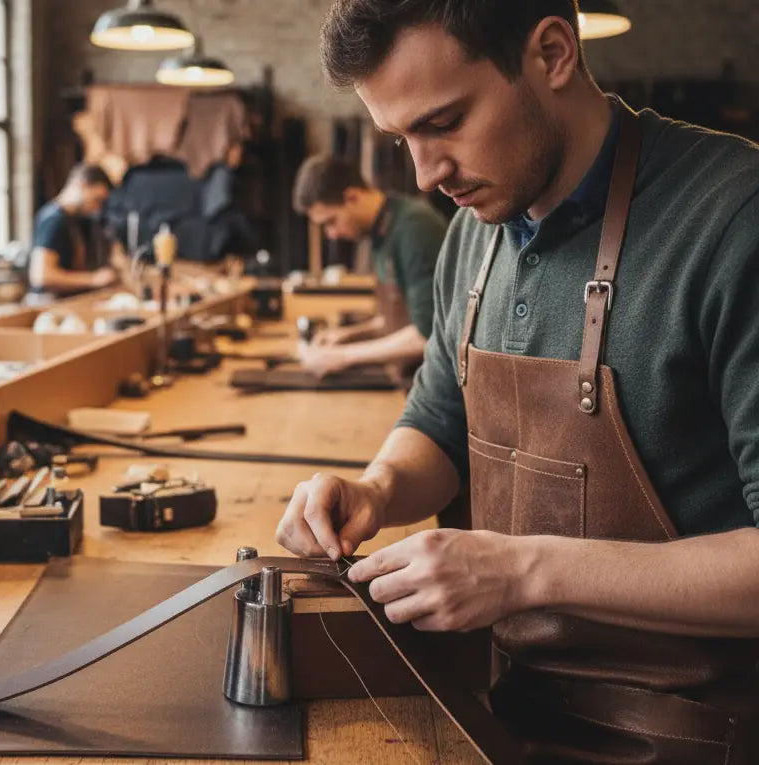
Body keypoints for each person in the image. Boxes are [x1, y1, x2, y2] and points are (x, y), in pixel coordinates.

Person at [276, 1, 759, 762]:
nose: (426, 174)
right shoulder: (475, 235)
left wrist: (521, 568)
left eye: (445, 121)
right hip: (514, 708)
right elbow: (439, 422)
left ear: (554, 53)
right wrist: (374, 488)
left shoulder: (733, 218)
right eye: (401, 139)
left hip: (700, 734)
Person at [291, 155, 447, 379]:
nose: (332, 235)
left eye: (331, 221)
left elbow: (429, 334)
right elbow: (398, 318)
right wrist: (346, 335)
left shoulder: (414, 228)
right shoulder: (381, 232)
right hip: (406, 375)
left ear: (352, 197)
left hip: (429, 386)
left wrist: (342, 356)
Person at [27, 164, 118, 296]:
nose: (97, 208)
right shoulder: (53, 219)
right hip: (47, 303)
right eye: (96, 200)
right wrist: (93, 279)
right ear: (81, 185)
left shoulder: (75, 220)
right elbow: (42, 276)